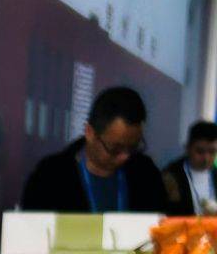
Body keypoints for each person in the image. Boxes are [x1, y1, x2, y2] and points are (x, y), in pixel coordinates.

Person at [20, 87, 168, 213]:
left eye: (133, 147)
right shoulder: (49, 177)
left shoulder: (146, 174)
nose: (125, 157)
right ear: (90, 132)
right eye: (115, 149)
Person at [161, 120, 217, 215]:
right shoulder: (171, 176)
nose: (206, 158)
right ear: (187, 148)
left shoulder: (215, 174)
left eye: (212, 152)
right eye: (200, 151)